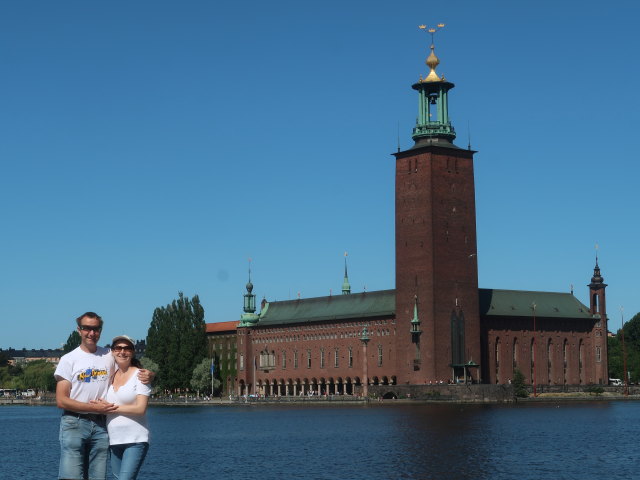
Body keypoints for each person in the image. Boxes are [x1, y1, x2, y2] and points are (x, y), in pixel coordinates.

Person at [54, 312, 153, 480]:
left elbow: (128, 364)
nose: (91, 333)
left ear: (100, 331)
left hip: (101, 425)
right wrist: (94, 407)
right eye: (87, 328)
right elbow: (61, 400)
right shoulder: (68, 359)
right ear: (79, 330)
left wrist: (150, 374)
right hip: (74, 423)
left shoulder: (108, 355)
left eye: (96, 329)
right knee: (71, 476)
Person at [103, 335, 151, 480]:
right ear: (112, 351)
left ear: (133, 352)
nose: (122, 352)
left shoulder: (141, 375)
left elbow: (140, 409)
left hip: (135, 439)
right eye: (118, 348)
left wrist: (110, 408)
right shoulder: (109, 376)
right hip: (113, 440)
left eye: (127, 348)